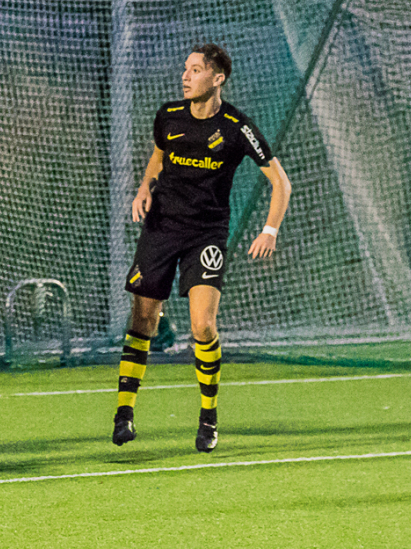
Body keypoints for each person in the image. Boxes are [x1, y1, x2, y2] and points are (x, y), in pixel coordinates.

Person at [113, 44, 292, 453]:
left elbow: (281, 183)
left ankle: (208, 418)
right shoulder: (169, 115)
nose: (186, 76)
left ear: (217, 78)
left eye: (196, 69)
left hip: (206, 236)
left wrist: (270, 230)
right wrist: (144, 188)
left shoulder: (236, 127)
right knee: (143, 319)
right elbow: (158, 158)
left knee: (203, 327)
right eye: (186, 69)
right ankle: (124, 414)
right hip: (161, 228)